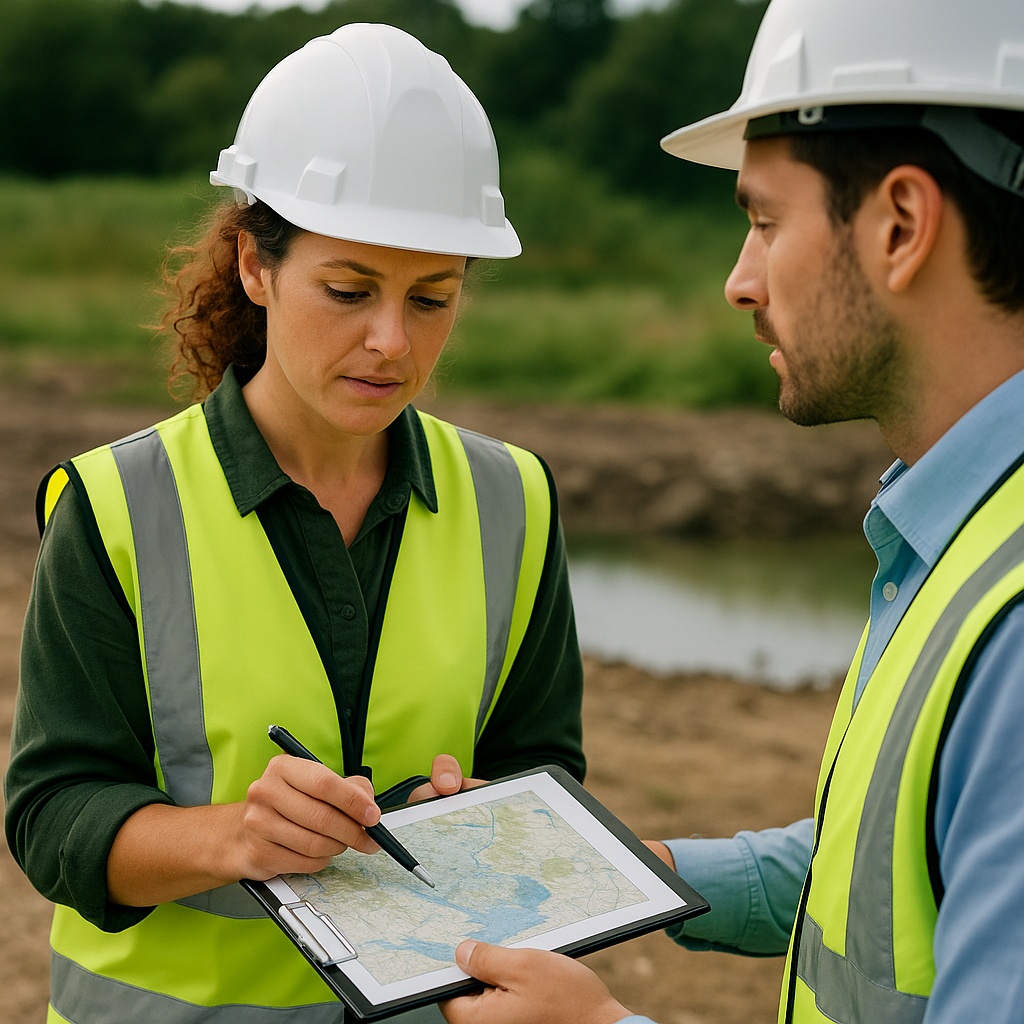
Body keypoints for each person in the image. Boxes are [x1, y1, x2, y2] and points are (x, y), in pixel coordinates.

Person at [438, 0, 1024, 1022]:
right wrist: (614, 873)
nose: (737, 281)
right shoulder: (960, 536)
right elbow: (889, 869)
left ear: (900, 224)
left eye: (762, 220)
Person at [3, 23, 585, 1024]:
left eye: (432, 298)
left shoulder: (512, 499)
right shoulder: (116, 505)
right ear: (253, 266)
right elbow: (53, 815)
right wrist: (233, 836)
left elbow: (548, 770)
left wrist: (480, 818)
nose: (391, 342)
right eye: (349, 290)